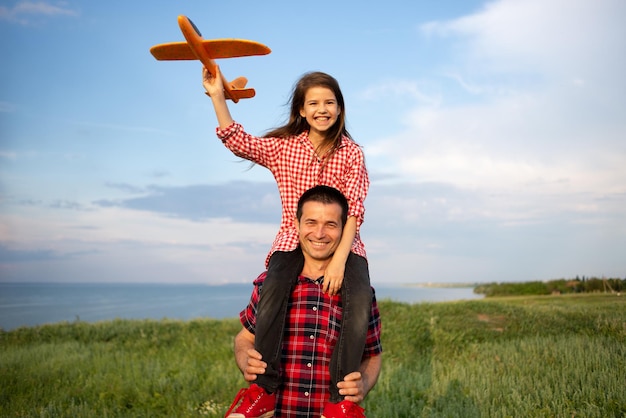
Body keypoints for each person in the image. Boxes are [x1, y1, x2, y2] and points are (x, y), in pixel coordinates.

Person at [203, 68, 374, 416]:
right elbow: (241, 143)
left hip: (344, 244)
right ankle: (263, 389)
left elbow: (355, 208)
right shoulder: (285, 149)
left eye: (330, 102)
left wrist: (341, 260)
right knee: (273, 291)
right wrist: (218, 97)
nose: (322, 108)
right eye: (313, 102)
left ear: (340, 109)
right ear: (300, 110)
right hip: (291, 241)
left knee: (357, 303)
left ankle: (341, 404)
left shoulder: (352, 153)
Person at [224, 185, 382, 417]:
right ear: (297, 226)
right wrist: (244, 358)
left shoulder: (360, 293)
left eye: (330, 224)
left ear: (344, 230)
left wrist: (363, 384)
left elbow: (372, 354)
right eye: (311, 222)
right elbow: (244, 339)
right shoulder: (269, 284)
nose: (319, 234)